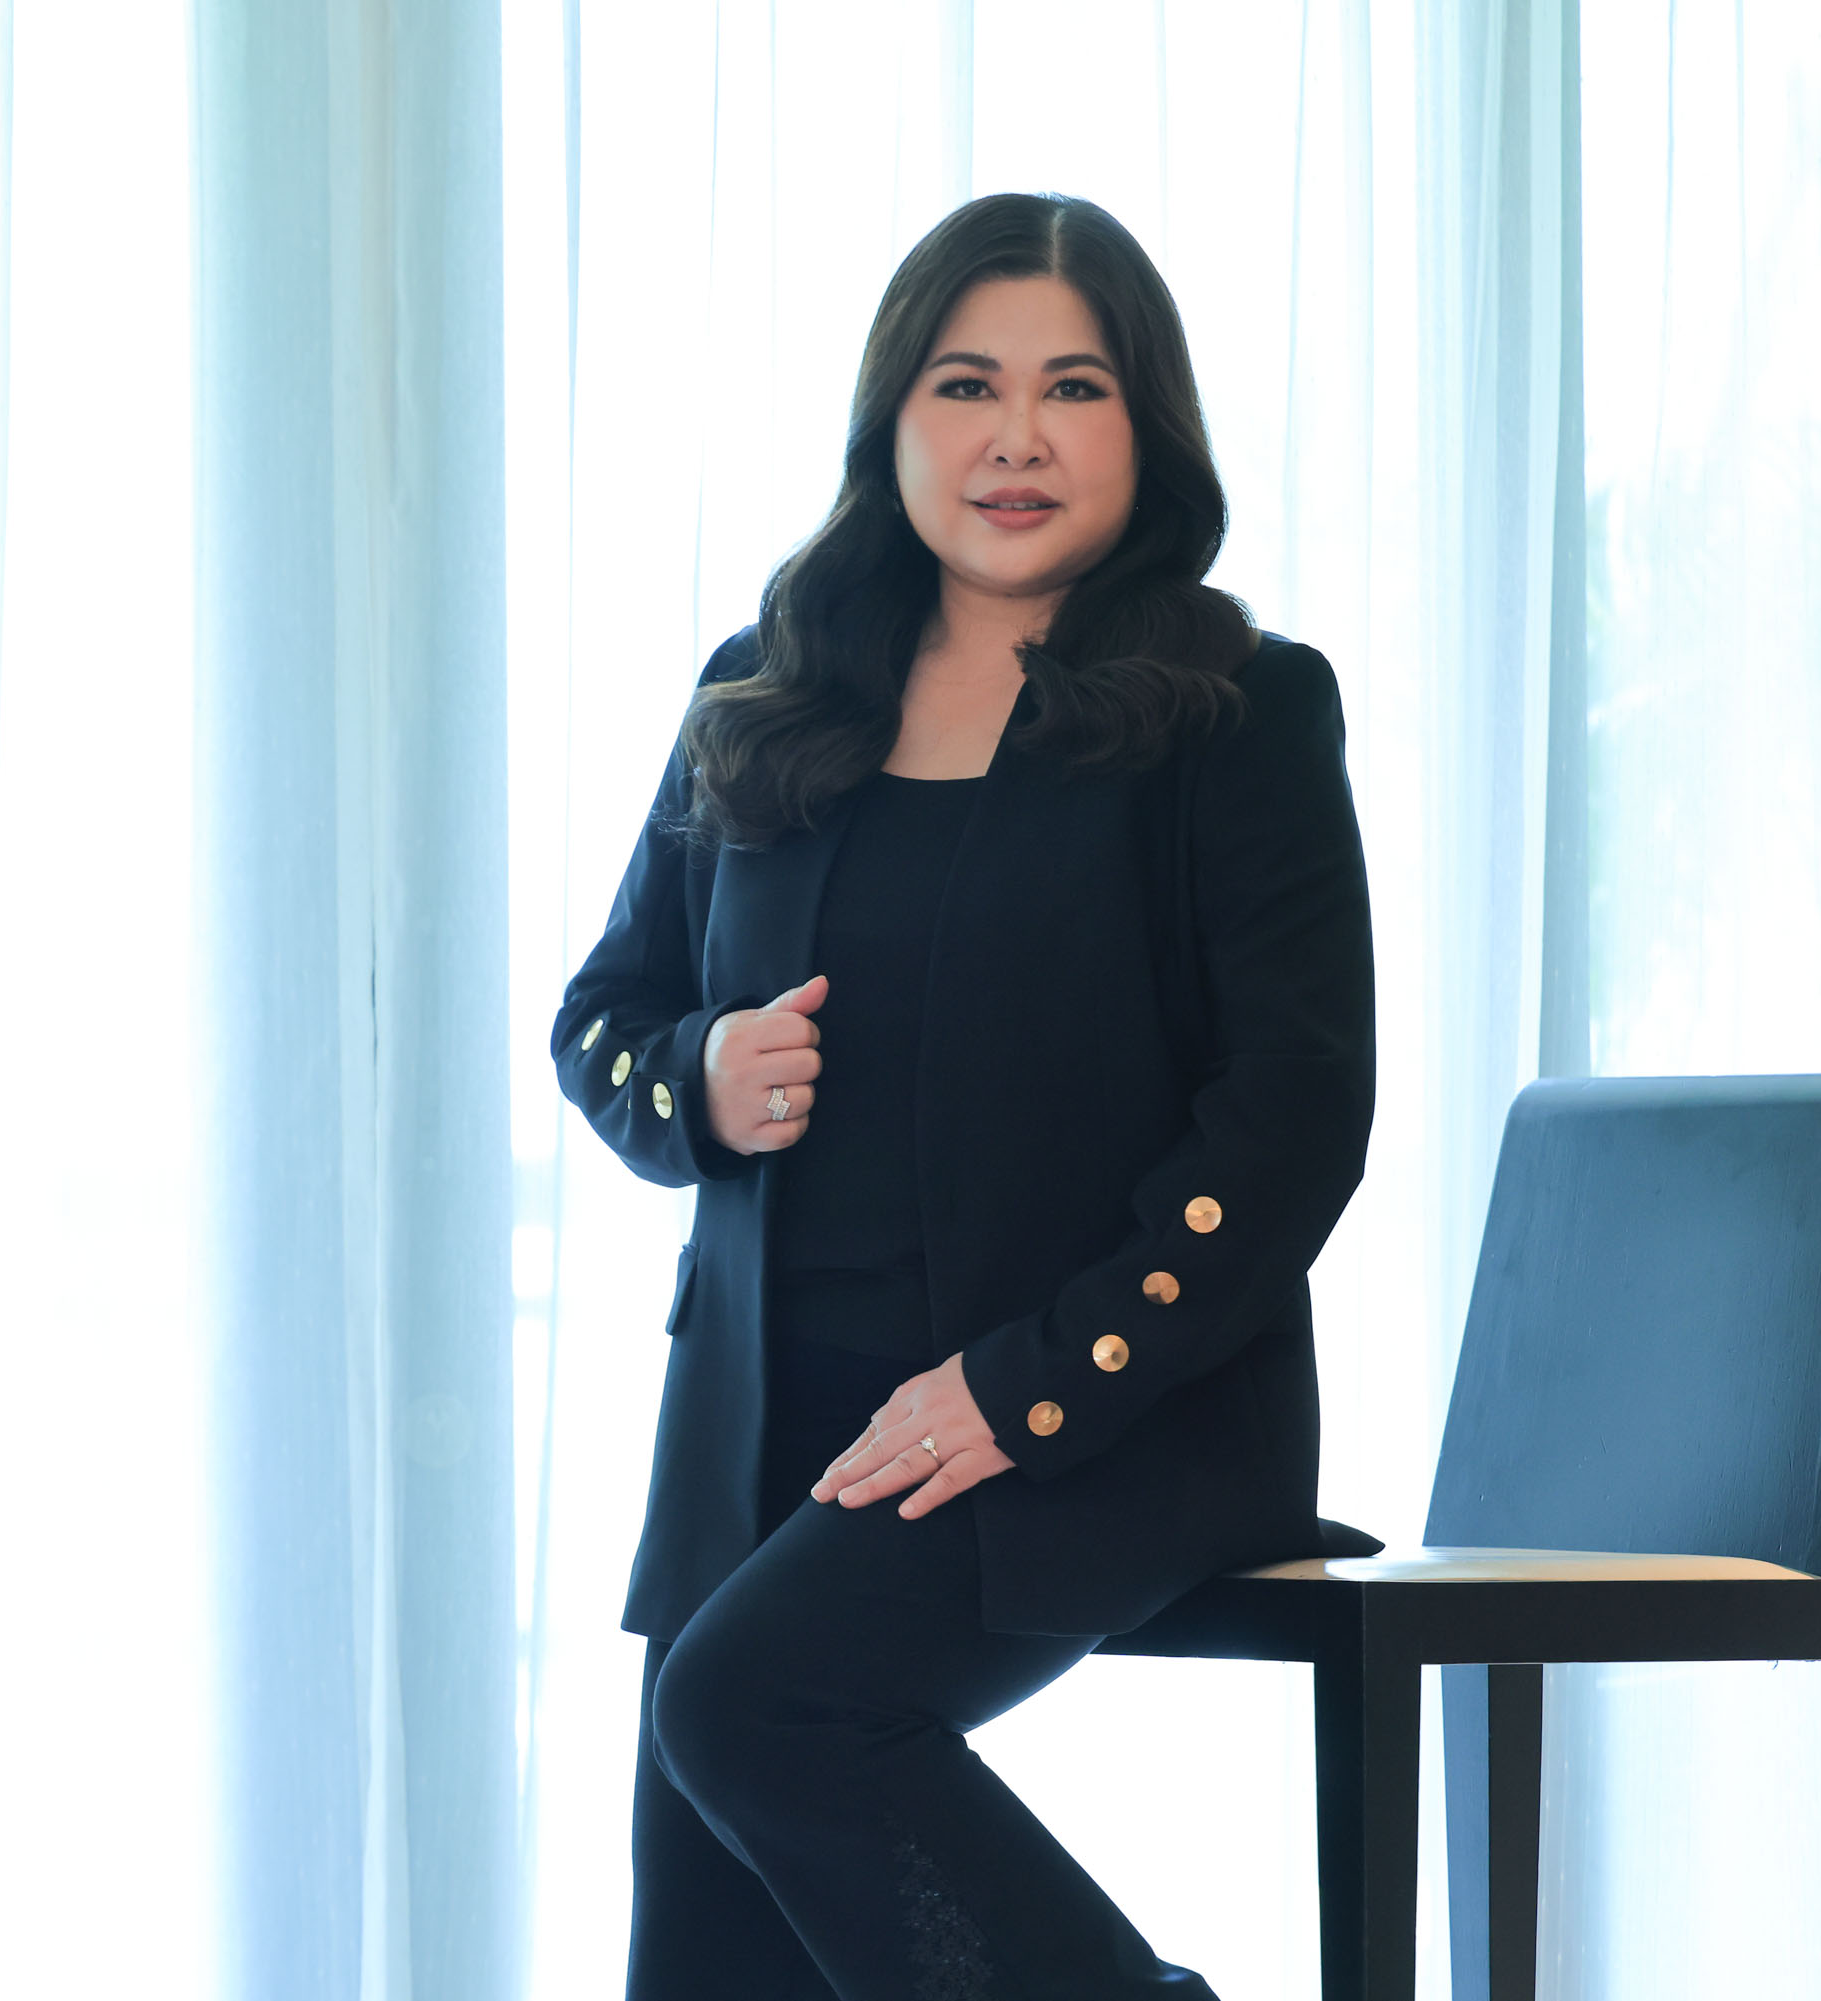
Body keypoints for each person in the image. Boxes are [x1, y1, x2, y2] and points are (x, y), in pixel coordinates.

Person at [549, 191, 1377, 1998]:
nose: (1017, 436)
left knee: (756, 1701)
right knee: (705, 1962)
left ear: (1146, 432)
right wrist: (700, 1075)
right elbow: (605, 1018)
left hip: (1098, 1413)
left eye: (1074, 388)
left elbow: (1295, 1117)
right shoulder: (764, 695)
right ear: (892, 421)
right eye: (965, 384)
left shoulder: (1237, 712)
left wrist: (1027, 1386)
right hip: (769, 1430)